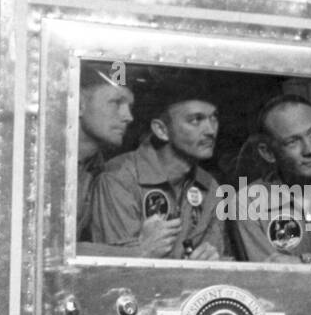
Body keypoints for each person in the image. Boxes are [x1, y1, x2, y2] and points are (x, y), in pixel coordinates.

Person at [88, 78, 227, 260]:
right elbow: (114, 269)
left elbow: (214, 256)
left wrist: (210, 259)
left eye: (213, 118)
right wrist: (140, 250)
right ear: (161, 130)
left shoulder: (210, 187)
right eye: (195, 120)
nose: (210, 130)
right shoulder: (119, 178)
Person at [232, 95, 311, 265]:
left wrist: (302, 261)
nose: (310, 149)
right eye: (292, 142)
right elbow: (268, 281)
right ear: (268, 152)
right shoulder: (248, 202)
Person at [74, 63, 179, 258]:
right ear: (78, 103)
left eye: (129, 106)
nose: (128, 116)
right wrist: (139, 251)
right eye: (116, 102)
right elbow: (49, 251)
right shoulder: (50, 164)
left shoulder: (96, 165)